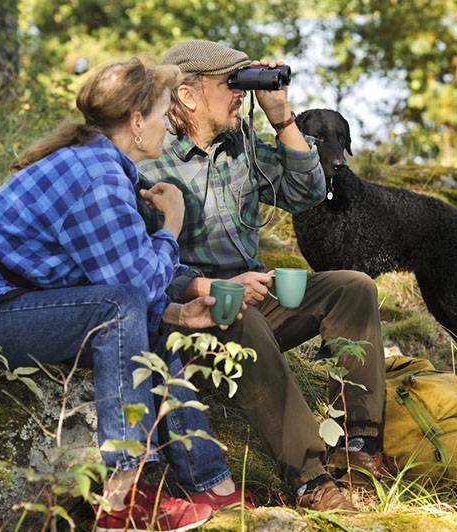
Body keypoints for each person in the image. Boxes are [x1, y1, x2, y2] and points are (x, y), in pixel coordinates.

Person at [0, 58, 250, 532]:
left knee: (141, 315)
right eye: (163, 111)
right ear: (135, 123)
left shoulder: (100, 165)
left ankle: (209, 483)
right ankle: (122, 499)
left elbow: (121, 275)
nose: (169, 124)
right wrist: (173, 222)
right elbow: (130, 289)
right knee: (121, 307)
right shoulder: (97, 177)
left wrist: (173, 311)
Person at [137, 40, 388, 511]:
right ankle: (310, 479)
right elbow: (138, 263)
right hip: (188, 313)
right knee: (241, 317)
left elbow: (308, 190)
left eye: (243, 80)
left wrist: (282, 118)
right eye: (231, 83)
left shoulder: (241, 146)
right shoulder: (149, 160)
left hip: (251, 294)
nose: (240, 93)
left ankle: (359, 449)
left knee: (353, 287)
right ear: (187, 96)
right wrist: (211, 287)